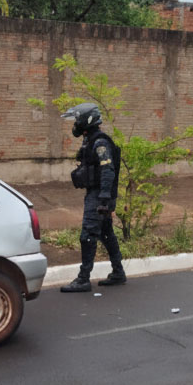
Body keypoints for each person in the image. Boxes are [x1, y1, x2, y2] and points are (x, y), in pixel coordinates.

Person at [59, 102, 126, 293]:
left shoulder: (100, 143)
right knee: (106, 234)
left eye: (77, 120)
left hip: (99, 195)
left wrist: (104, 198)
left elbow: (107, 170)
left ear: (87, 120)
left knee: (87, 235)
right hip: (97, 194)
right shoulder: (91, 140)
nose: (75, 124)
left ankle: (83, 279)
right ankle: (118, 272)